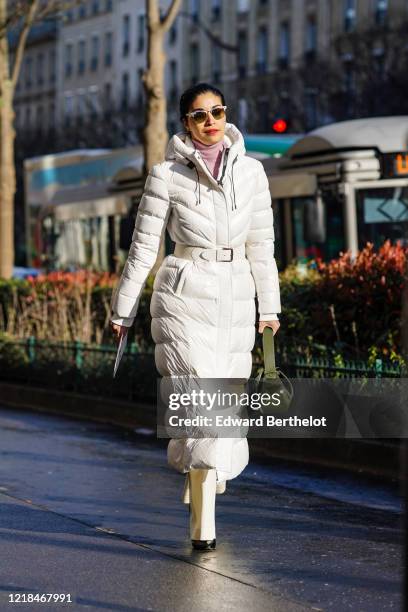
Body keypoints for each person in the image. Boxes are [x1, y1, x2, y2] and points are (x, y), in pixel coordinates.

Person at [110, 82, 281, 551]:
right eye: (199, 115)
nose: (210, 121)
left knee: (220, 406)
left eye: (217, 111)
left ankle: (202, 473)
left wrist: (270, 308)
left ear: (227, 115)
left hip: (236, 295)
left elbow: (262, 249)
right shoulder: (165, 175)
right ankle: (203, 524)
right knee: (199, 393)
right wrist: (123, 310)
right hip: (184, 293)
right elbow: (144, 248)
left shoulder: (253, 173)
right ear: (184, 123)